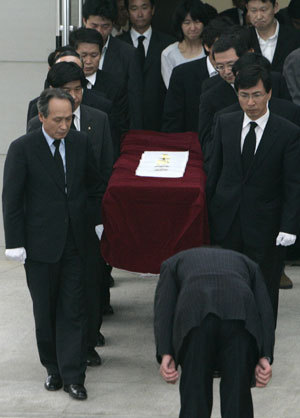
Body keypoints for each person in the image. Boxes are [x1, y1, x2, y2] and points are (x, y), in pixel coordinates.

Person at [2, 88, 102, 400]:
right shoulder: (22, 148)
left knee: (72, 309)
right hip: (40, 243)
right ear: (41, 116)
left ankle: (74, 375)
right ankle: (53, 368)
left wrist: (97, 220)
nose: (64, 125)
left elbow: (94, 185)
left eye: (69, 119)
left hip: (75, 240)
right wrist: (15, 241)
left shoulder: (80, 143)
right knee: (45, 310)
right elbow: (12, 197)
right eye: (57, 119)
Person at [26, 61, 114, 364]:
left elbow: (103, 172)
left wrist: (98, 218)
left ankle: (88, 343)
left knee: (89, 287)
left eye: (78, 89)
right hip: (53, 227)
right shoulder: (39, 119)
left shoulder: (98, 119)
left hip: (87, 219)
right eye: (67, 91)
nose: (74, 96)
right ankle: (63, 356)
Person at [206, 65, 300, 323]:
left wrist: (289, 226)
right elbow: (213, 173)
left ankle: (262, 352)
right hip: (226, 223)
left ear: (269, 94)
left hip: (266, 228)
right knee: (225, 290)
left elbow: (294, 184)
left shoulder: (288, 132)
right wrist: (206, 215)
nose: (251, 102)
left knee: (264, 293)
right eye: (244, 95)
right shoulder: (224, 122)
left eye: (257, 95)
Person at [154, 247, 274, 418]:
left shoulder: (172, 263)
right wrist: (265, 355)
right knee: (237, 394)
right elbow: (265, 310)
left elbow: (164, 309)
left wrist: (166, 352)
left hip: (195, 315)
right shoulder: (249, 263)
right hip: (239, 314)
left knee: (195, 394)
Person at [162, 17, 231, 133]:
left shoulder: (239, 72)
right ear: (207, 46)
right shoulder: (182, 74)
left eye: (229, 47)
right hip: (192, 144)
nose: (225, 52)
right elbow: (172, 122)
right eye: (219, 46)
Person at [83, 0, 144, 129]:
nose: (99, 32)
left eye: (105, 26)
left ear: (112, 25)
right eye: (94, 26)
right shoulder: (71, 52)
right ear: (84, 21)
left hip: (114, 130)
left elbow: (135, 103)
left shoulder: (128, 54)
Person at [69, 27, 129, 159]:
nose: (88, 61)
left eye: (94, 55)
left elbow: (118, 129)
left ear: (101, 54)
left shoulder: (115, 85)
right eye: (83, 56)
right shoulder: (63, 83)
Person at [118, 0, 174, 131]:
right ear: (127, 12)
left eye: (144, 7)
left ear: (153, 10)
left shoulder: (169, 44)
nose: (139, 14)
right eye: (134, 8)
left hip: (160, 120)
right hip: (126, 121)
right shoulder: (118, 44)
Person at [161, 0, 209, 88]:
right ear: (180, 24)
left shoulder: (211, 49)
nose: (193, 28)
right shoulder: (168, 54)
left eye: (197, 21)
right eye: (187, 23)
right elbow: (172, 89)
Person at [246, 0, 300, 73]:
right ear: (247, 9)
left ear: (275, 7)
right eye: (253, 11)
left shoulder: (295, 37)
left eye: (263, 10)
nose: (258, 16)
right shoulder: (241, 38)